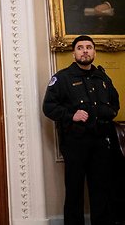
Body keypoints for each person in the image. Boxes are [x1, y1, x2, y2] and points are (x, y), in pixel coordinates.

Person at [43, 35, 120, 225]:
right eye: (80, 47)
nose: (85, 50)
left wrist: (106, 112)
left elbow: (115, 104)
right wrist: (71, 115)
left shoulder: (103, 77)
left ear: (94, 51)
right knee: (74, 191)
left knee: (101, 189)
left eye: (88, 47)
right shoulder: (61, 78)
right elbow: (49, 107)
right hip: (75, 143)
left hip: (101, 142)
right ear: (73, 53)